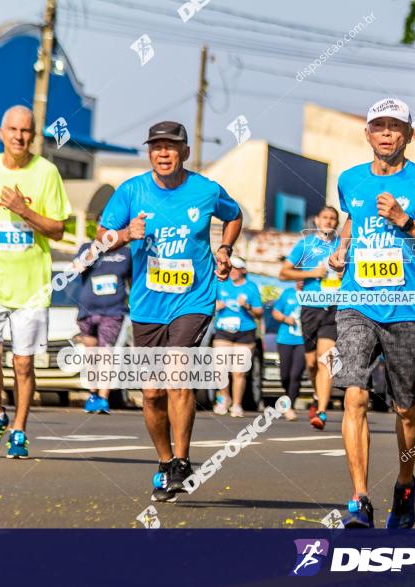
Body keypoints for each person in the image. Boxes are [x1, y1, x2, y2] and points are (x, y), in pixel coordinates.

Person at [328, 98, 415, 528]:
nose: (386, 134)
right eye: (378, 127)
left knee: (406, 409)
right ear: (368, 134)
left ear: (408, 135)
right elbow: (353, 219)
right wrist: (342, 249)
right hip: (357, 302)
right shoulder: (349, 180)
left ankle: (404, 486)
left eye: (395, 127)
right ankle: (359, 498)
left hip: (409, 307)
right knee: (354, 395)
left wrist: (405, 222)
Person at [97, 120, 243, 501]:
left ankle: (182, 460)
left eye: (170, 146)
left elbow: (235, 214)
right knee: (150, 393)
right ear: (149, 153)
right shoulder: (131, 191)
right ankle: (164, 463)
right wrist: (126, 235)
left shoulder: (206, 190)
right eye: (156, 146)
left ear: (185, 152)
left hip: (193, 299)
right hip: (148, 305)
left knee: (178, 373)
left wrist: (224, 250)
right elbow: (102, 238)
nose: (163, 153)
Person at [0, 105, 72, 458]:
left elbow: (57, 229)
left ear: (34, 135)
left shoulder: (46, 173)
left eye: (26, 131)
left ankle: (20, 429)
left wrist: (23, 210)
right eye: (13, 130)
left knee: (23, 363)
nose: (19, 137)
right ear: (2, 132)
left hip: (32, 287)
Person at [279, 207, 341, 430]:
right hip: (309, 307)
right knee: (312, 363)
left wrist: (344, 273)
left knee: (327, 359)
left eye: (333, 218)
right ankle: (317, 394)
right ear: (317, 220)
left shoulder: (342, 244)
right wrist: (310, 274)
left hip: (334, 307)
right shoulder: (305, 245)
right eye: (325, 217)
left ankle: (322, 411)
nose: (328, 221)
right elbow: (284, 273)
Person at [74, 237, 132, 414]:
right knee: (92, 355)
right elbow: (78, 268)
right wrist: (94, 249)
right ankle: (92, 394)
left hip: (113, 312)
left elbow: (132, 280)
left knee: (106, 353)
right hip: (87, 311)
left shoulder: (126, 253)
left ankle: (103, 397)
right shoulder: (86, 248)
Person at [212, 256, 263, 417]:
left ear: (243, 270)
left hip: (245, 332)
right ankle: (224, 398)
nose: (232, 271)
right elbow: (207, 304)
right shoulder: (220, 284)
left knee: (239, 371)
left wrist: (247, 306)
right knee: (220, 369)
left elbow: (259, 313)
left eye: (236, 268)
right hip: (223, 331)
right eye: (231, 268)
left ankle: (237, 404)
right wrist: (215, 307)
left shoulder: (251, 287)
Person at [271, 282, 306, 421]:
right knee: (285, 375)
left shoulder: (313, 294)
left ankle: (289, 405)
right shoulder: (287, 293)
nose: (302, 281)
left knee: (295, 374)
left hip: (303, 341)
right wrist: (285, 318)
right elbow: (275, 312)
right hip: (285, 339)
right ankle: (289, 394)